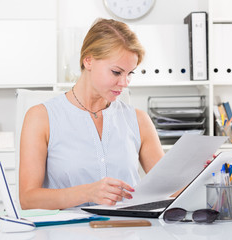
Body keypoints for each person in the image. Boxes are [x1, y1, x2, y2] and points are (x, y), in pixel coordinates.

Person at [19, 18, 164, 210]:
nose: (125, 82)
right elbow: (28, 199)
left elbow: (168, 187)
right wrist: (87, 193)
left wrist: (200, 174)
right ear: (88, 60)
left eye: (130, 73)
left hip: (128, 230)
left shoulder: (139, 120)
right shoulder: (41, 117)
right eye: (116, 72)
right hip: (67, 233)